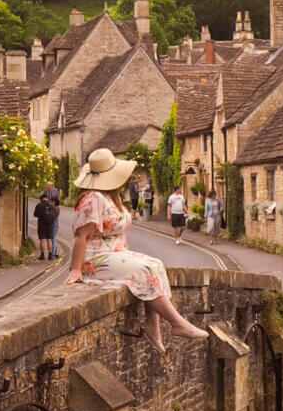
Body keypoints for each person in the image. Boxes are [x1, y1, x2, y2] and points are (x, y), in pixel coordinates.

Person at [65, 148, 208, 353]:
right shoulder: (94, 198)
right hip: (94, 259)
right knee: (144, 271)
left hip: (112, 254)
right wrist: (76, 269)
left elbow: (119, 234)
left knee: (155, 264)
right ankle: (177, 323)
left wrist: (128, 256)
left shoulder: (110, 198)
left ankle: (153, 326)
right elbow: (81, 236)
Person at [33, 192, 56, 260]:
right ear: (47, 199)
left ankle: (42, 255)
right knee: (49, 239)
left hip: (41, 224)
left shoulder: (39, 205)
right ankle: (50, 255)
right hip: (50, 225)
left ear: (41, 199)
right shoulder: (51, 206)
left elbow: (35, 214)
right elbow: (55, 215)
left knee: (42, 240)